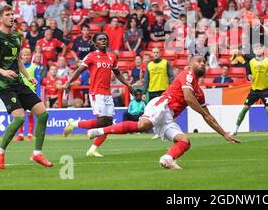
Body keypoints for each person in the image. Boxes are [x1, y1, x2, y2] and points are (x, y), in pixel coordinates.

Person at [87, 54, 240, 170]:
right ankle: (99, 131)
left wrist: (224, 134)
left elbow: (209, 117)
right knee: (143, 125)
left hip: (169, 117)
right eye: (198, 61)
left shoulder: (200, 92)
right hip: (162, 104)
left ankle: (167, 158)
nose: (202, 64)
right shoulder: (187, 74)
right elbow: (188, 98)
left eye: (204, 63)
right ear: (189, 64)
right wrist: (204, 113)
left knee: (184, 142)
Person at [0, 5, 52, 169]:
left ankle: (37, 154)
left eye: (12, 14)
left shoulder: (17, 37)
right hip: (5, 86)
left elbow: (17, 60)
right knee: (19, 118)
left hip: (19, 83)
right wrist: (3, 72)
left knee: (43, 114)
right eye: (7, 15)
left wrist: (28, 77)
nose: (12, 17)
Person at [63, 33, 137, 157]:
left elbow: (117, 74)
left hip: (108, 94)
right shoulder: (91, 56)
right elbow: (79, 70)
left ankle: (92, 149)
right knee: (102, 122)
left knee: (108, 125)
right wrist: (69, 82)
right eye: (100, 39)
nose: (103, 41)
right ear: (95, 43)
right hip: (96, 93)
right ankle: (74, 124)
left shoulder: (112, 56)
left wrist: (129, 85)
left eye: (105, 39)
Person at [231, 43, 268, 137]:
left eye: (260, 48)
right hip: (254, 90)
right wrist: (249, 77)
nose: (258, 50)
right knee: (245, 108)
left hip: (265, 90)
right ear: (254, 50)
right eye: (256, 48)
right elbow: (248, 74)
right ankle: (235, 129)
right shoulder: (251, 61)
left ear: (263, 49)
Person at [13, 48, 41, 142]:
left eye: (28, 55)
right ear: (20, 55)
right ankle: (20, 134)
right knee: (20, 115)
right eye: (24, 55)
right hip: (19, 92)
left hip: (30, 93)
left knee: (30, 115)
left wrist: (38, 93)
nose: (26, 56)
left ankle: (29, 134)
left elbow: (38, 82)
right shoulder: (16, 66)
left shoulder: (34, 67)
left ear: (30, 56)